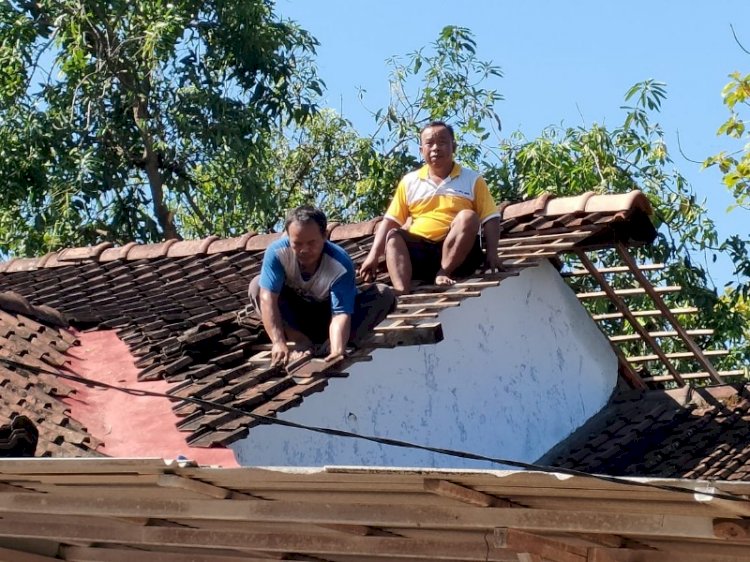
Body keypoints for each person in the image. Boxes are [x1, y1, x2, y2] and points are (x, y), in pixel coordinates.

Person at [359, 121, 502, 294]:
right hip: (421, 255)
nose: (436, 148)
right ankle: (401, 290)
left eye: (442, 142)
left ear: (453, 147)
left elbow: (491, 218)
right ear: (421, 150)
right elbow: (390, 221)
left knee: (468, 217)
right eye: (430, 143)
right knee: (394, 236)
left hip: (460, 256)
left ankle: (444, 272)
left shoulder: (472, 179)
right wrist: (373, 256)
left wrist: (492, 253)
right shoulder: (410, 182)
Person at [249, 205, 396, 367]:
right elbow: (267, 299)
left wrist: (337, 350)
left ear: (325, 236)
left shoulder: (340, 263)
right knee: (257, 285)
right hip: (296, 318)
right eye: (297, 244)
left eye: (311, 243)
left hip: (328, 317)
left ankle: (329, 345)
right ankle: (299, 340)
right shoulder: (277, 253)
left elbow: (340, 314)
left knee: (383, 294)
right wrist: (278, 342)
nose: (304, 250)